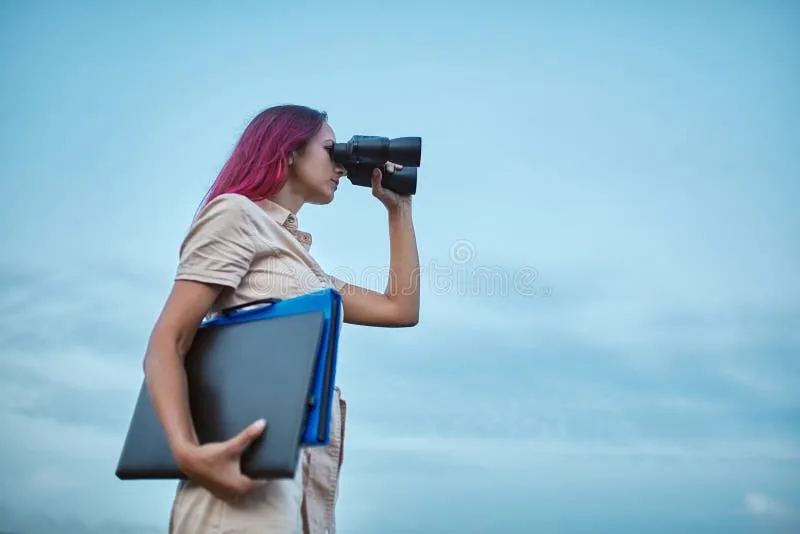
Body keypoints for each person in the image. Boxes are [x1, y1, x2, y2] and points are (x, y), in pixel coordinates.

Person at [141, 104, 420, 534]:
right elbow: (168, 339)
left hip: (291, 498)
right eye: (332, 150)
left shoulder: (304, 268)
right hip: (236, 492)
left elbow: (400, 309)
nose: (342, 167)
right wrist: (186, 452)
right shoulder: (235, 214)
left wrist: (398, 210)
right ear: (289, 151)